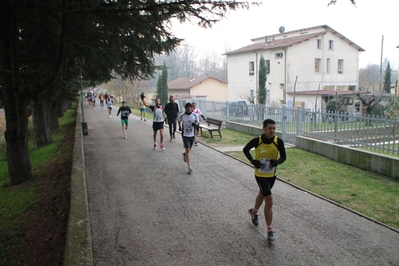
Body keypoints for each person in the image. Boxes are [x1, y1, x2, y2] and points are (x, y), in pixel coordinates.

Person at [242, 118, 287, 242]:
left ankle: (253, 211)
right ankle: (269, 229)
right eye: (269, 128)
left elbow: (284, 157)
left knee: (262, 194)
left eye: (274, 128)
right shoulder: (257, 141)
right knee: (269, 200)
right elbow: (245, 149)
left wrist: (277, 162)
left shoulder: (279, 141)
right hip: (260, 175)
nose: (272, 131)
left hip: (272, 175)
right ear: (263, 128)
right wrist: (253, 161)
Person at [178, 102, 198, 173]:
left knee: (189, 150)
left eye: (190, 107)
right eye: (187, 107)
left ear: (192, 108)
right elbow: (179, 120)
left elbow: (197, 123)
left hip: (192, 135)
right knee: (188, 149)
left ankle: (185, 154)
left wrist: (195, 124)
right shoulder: (182, 115)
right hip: (185, 135)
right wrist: (180, 126)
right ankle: (189, 166)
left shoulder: (195, 115)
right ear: (185, 108)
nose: (189, 108)